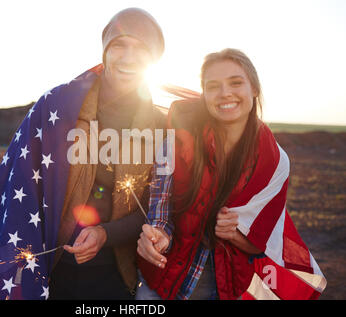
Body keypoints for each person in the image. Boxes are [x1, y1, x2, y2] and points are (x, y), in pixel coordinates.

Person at [0, 7, 167, 300]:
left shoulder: (159, 126)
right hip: (47, 269)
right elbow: (20, 183)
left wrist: (105, 234)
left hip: (115, 276)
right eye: (119, 45)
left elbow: (155, 207)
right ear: (104, 51)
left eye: (142, 49)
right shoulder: (59, 106)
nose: (128, 57)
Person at [136, 48, 326, 300]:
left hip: (228, 285)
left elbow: (262, 242)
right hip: (163, 280)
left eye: (235, 83)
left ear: (254, 89)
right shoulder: (175, 137)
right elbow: (160, 205)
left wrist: (234, 234)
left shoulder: (275, 162)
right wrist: (159, 234)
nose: (225, 93)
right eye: (213, 86)